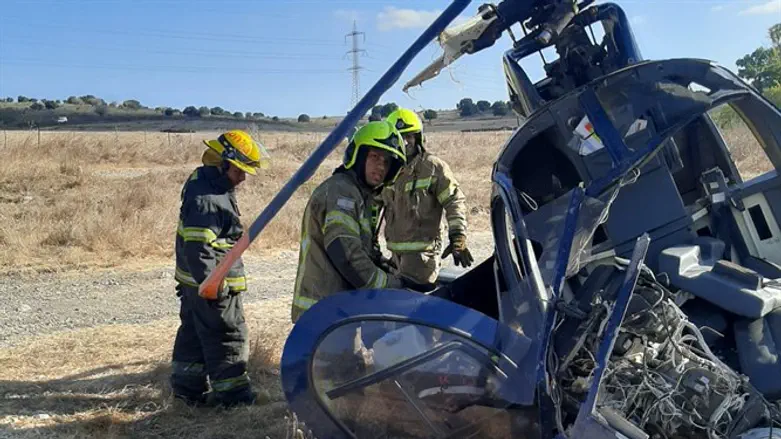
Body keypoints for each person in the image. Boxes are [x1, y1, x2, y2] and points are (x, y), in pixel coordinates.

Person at [170, 129, 271, 407]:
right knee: (227, 335)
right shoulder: (208, 199)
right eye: (239, 170)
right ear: (223, 162)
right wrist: (214, 285)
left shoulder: (207, 182)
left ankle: (187, 392)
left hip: (195, 285)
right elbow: (199, 247)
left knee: (192, 333)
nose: (243, 177)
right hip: (210, 285)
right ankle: (234, 397)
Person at [292, 121, 407, 323]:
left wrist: (389, 270)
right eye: (375, 157)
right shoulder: (341, 193)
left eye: (387, 162)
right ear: (358, 156)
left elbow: (363, 250)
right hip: (324, 311)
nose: (381, 166)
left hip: (338, 310)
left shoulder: (360, 195)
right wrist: (387, 285)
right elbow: (345, 252)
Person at [379, 108, 474, 291]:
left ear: (419, 138)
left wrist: (458, 236)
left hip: (423, 260)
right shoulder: (388, 170)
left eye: (410, 136)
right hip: (394, 257)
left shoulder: (433, 167)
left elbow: (454, 201)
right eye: (400, 136)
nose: (406, 142)